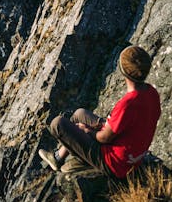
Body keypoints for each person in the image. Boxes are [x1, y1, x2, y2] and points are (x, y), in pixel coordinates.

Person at [38, 45, 161, 178]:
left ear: (123, 71)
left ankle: (81, 160)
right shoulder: (151, 93)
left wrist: (88, 131)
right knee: (80, 114)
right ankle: (59, 157)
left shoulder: (127, 103)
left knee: (58, 124)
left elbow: (104, 138)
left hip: (115, 162)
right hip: (132, 154)